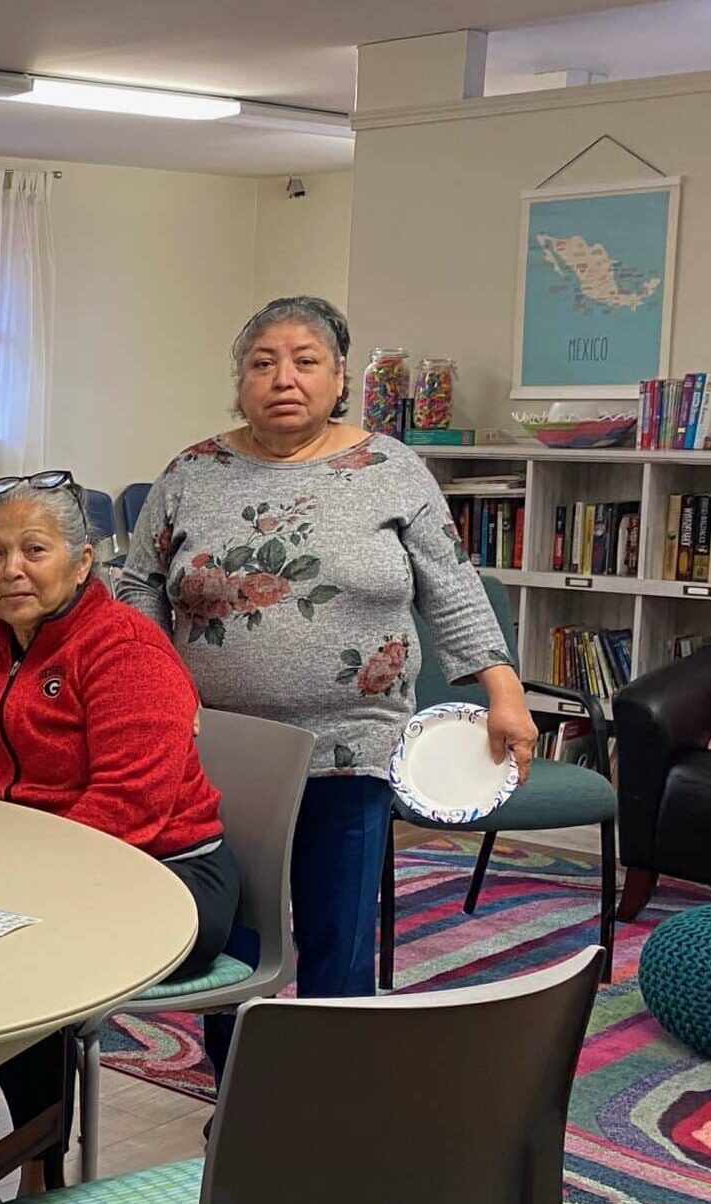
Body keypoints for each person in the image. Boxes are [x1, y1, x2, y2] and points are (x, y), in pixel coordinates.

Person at [114, 295, 527, 1063]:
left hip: (352, 741)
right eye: (262, 362)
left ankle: (329, 1095)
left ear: (340, 378)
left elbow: (453, 586)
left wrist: (503, 691)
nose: (283, 378)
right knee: (232, 930)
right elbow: (138, 585)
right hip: (220, 745)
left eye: (306, 361)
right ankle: (234, 1092)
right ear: (238, 380)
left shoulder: (392, 470)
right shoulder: (191, 473)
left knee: (339, 931)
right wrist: (160, 683)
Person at [0, 479, 243, 1204]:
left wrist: (14, 882)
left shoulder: (127, 646)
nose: (10, 568)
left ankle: (40, 1189)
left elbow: (128, 806)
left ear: (85, 560)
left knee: (26, 965)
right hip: (34, 873)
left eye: (34, 549)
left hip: (165, 876)